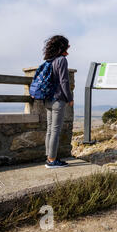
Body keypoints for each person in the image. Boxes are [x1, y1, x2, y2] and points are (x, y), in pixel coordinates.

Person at [43, 35, 74, 168]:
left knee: (50, 130)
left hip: (48, 99)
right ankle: (52, 160)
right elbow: (64, 81)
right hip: (58, 100)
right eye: (67, 45)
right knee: (55, 130)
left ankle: (49, 157)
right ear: (62, 47)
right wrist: (70, 98)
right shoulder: (62, 60)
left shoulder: (49, 60)